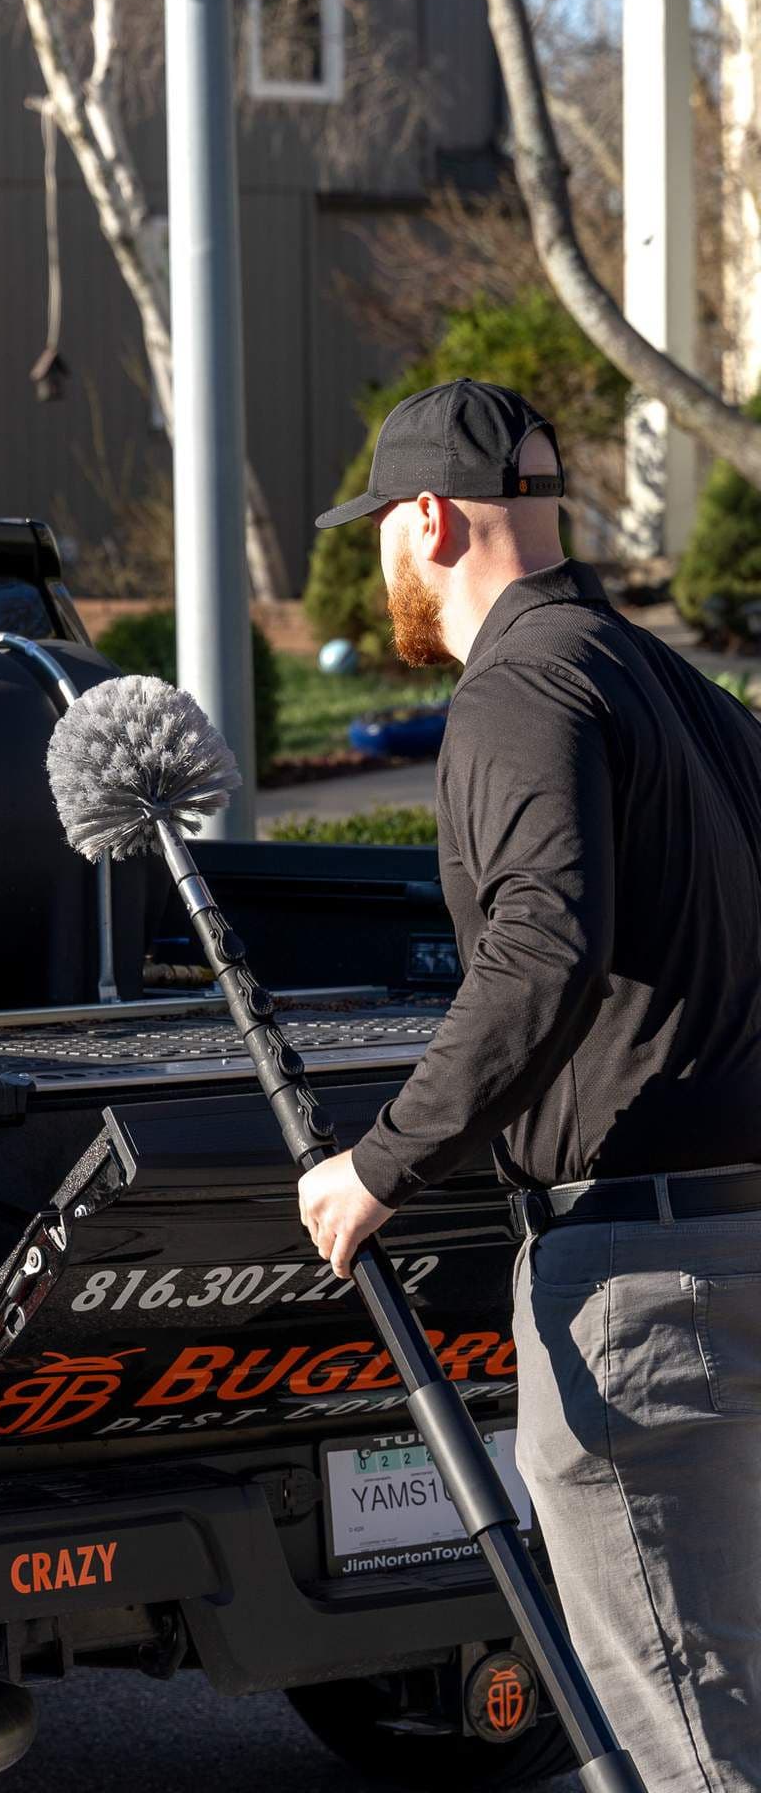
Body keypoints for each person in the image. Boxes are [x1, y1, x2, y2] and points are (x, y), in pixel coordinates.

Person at [297, 378, 761, 1792]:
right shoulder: (677, 684)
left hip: (640, 1288)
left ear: (430, 518)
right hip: (738, 1240)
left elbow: (542, 949)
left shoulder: (518, 685)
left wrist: (382, 1161)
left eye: (380, 526)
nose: (380, 558)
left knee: (680, 1740)